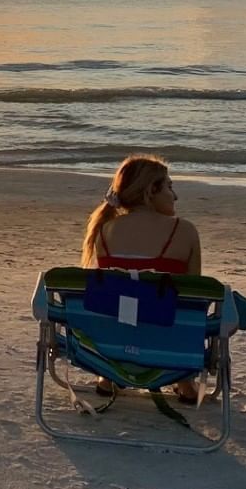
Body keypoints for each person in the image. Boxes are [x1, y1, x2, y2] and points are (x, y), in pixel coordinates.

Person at [81, 155, 201, 402]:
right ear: (151, 190)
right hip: (163, 345)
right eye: (169, 187)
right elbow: (193, 298)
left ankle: (108, 376)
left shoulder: (104, 232)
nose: (175, 196)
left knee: (121, 302)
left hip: (114, 345)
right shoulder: (184, 231)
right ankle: (184, 380)